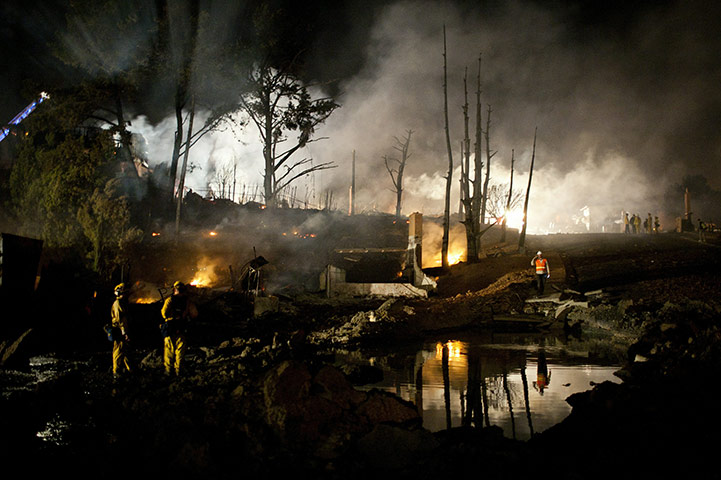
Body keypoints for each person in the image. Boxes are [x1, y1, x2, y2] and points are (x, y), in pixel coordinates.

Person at [160, 281, 198, 376]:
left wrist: (170, 317)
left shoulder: (170, 300)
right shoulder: (187, 301)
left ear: (174, 289)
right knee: (180, 351)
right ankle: (179, 371)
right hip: (181, 327)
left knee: (169, 351)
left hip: (169, 327)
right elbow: (195, 314)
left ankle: (168, 371)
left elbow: (164, 313)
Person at [110, 283, 132, 377]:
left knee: (125, 350)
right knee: (118, 351)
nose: (126, 295)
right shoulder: (118, 304)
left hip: (122, 329)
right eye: (124, 293)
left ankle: (130, 369)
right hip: (119, 330)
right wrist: (124, 332)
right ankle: (116, 371)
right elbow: (120, 320)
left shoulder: (122, 303)